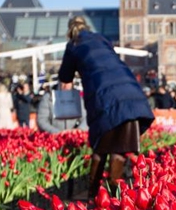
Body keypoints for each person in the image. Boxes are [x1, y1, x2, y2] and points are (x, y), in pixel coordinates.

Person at [58, 16, 155, 199]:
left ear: (70, 30)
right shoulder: (101, 38)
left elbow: (65, 75)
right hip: (130, 93)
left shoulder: (73, 45)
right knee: (120, 149)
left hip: (104, 96)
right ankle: (113, 197)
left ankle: (94, 196)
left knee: (100, 148)